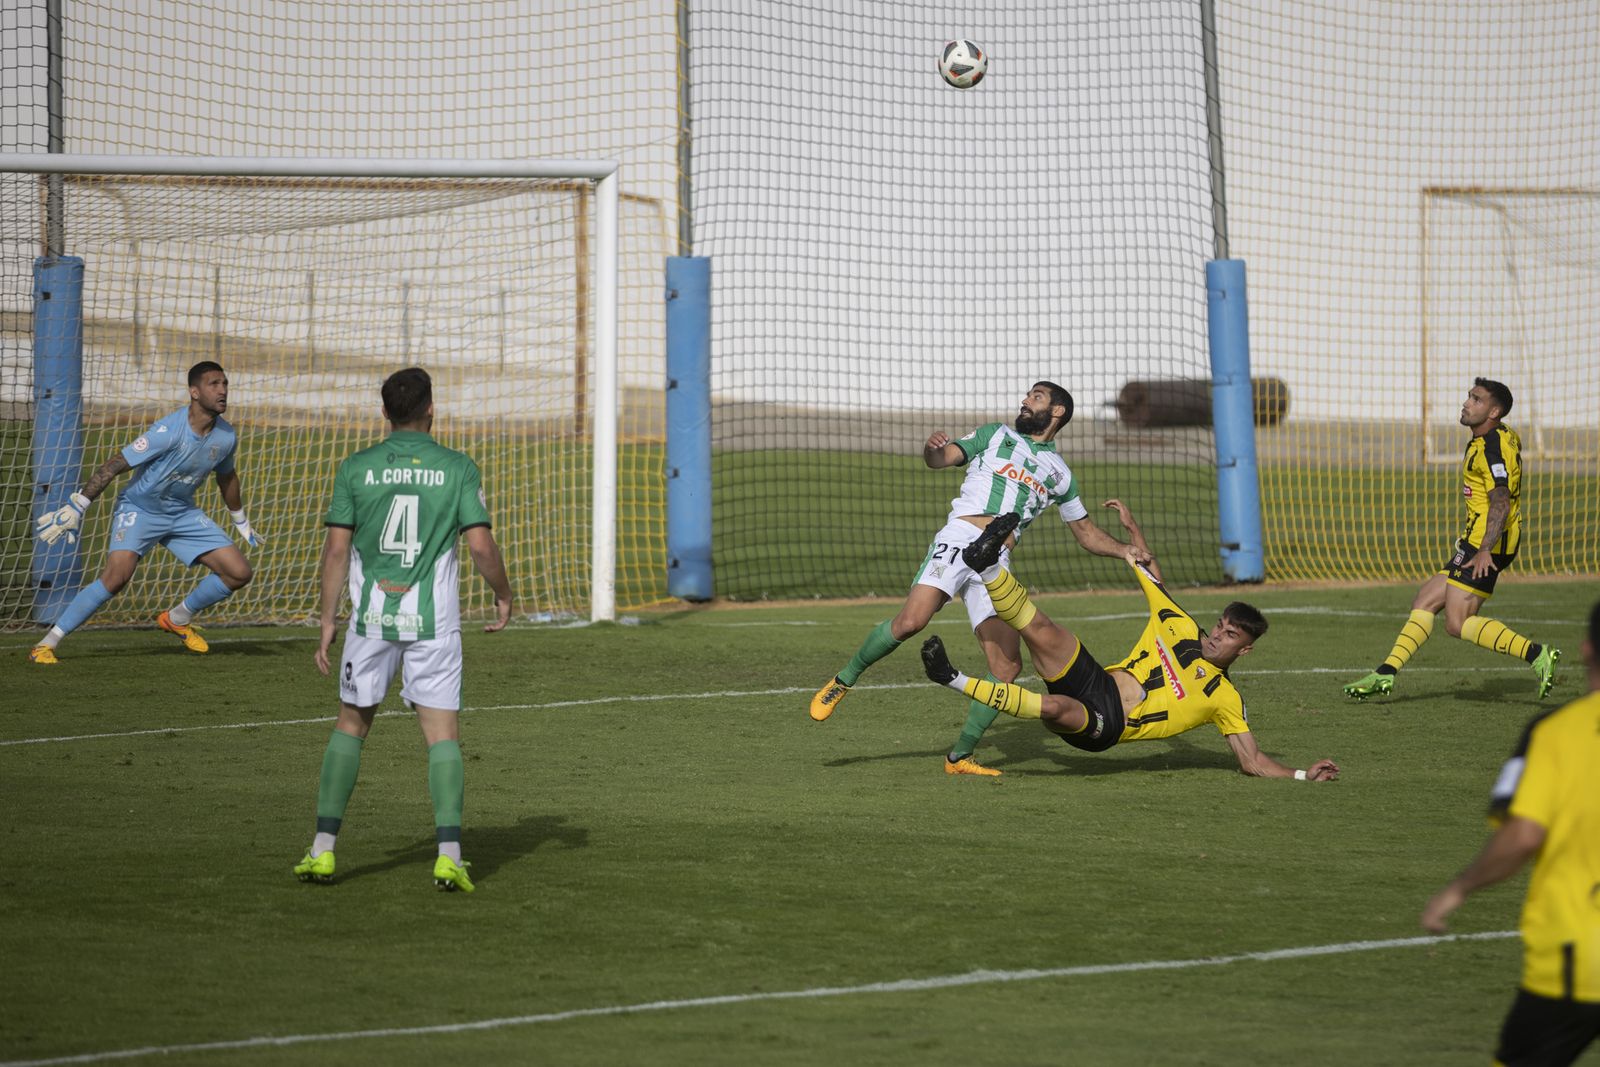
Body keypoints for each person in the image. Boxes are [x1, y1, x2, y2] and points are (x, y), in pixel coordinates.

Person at [806, 382, 1151, 777]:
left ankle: (960, 758)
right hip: (960, 538)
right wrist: (933, 449)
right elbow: (942, 459)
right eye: (1027, 396)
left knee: (1006, 667)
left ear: (1057, 412)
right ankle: (843, 680)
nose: (1025, 400)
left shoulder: (1060, 474)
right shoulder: (995, 434)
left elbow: (1086, 532)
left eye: (1036, 397)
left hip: (996, 561)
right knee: (911, 622)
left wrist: (1125, 549)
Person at [295, 367, 514, 894]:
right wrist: (503, 593)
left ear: (384, 411)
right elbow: (481, 546)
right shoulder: (457, 467)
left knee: (350, 725)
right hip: (433, 624)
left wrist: (327, 619)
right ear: (431, 407)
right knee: (442, 737)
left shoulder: (355, 468)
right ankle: (448, 857)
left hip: (371, 621)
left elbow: (336, 550)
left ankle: (323, 852)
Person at [919, 510, 1340, 781]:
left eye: (1230, 636)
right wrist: (1133, 530)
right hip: (1095, 679)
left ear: (1244, 650)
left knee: (1054, 708)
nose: (1217, 636)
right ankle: (988, 564)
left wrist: (1303, 774)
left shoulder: (1224, 698)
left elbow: (1252, 761)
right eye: (1220, 626)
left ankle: (949, 677)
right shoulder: (1177, 625)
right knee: (1040, 627)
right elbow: (1151, 573)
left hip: (1106, 724)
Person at [1420, 600, 1600, 1066]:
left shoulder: (1554, 732)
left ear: (1585, 650)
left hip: (1577, 960)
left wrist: (1460, 887)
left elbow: (1523, 835)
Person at [30, 361, 262, 664]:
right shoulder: (167, 432)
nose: (223, 391)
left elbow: (227, 476)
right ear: (194, 392)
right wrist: (79, 505)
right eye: (214, 384)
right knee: (116, 578)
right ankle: (46, 644)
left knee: (239, 572)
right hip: (140, 509)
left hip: (181, 513)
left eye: (225, 384)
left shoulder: (226, 436)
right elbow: (114, 464)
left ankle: (177, 618)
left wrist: (240, 519)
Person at [1344, 378, 1559, 702]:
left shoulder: (1489, 448)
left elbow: (1500, 499)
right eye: (1469, 397)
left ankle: (1538, 654)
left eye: (1477, 400)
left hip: (1488, 543)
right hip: (1479, 539)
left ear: (1494, 411)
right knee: (1425, 600)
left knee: (1457, 623)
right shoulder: (1499, 434)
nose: (1467, 403)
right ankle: (1385, 673)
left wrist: (1486, 549)